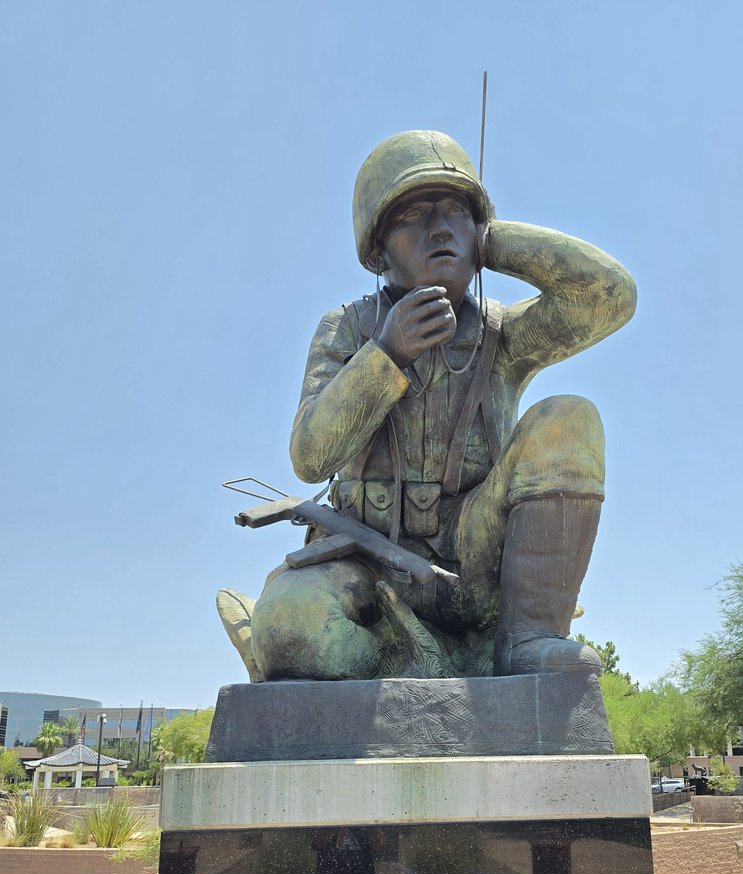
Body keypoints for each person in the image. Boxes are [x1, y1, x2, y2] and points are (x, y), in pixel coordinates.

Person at [218, 130, 636, 682]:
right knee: (295, 629)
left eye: (457, 212)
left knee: (569, 418)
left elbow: (609, 296)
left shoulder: (502, 334)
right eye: (413, 214)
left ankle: (527, 640)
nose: (440, 228)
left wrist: (492, 242)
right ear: (377, 247)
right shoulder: (348, 328)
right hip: (362, 555)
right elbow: (311, 458)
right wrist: (385, 354)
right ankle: (291, 644)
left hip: (474, 555)